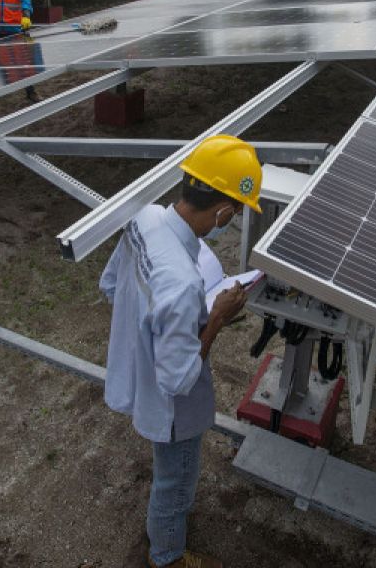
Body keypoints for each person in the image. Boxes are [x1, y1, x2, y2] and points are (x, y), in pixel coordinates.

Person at [100, 134, 263, 568]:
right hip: (173, 412)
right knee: (175, 485)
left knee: (170, 477)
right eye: (238, 212)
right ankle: (167, 556)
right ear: (224, 210)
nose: (234, 218)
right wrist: (216, 319)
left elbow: (111, 285)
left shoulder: (145, 219)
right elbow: (179, 380)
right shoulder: (185, 285)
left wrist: (155, 327)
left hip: (139, 374)